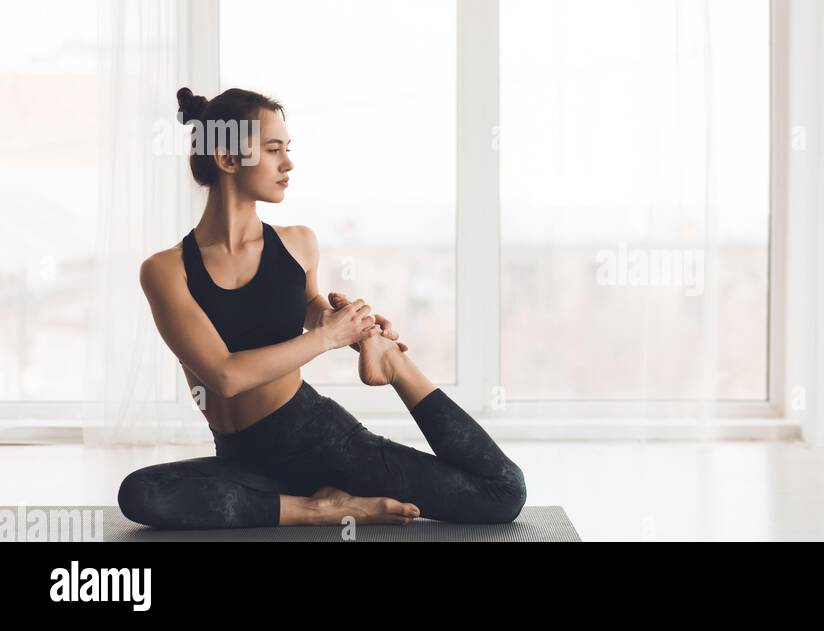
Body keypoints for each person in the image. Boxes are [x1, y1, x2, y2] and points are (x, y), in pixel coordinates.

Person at [116, 87, 525, 529]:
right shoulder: (165, 270)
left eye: (287, 150)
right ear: (227, 159)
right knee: (140, 494)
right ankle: (317, 509)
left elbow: (306, 307)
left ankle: (395, 367)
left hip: (322, 441)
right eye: (274, 150)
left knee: (502, 493)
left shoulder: (297, 244)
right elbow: (225, 376)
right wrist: (328, 336)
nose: (288, 164)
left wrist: (353, 326)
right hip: (242, 459)